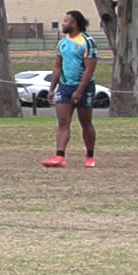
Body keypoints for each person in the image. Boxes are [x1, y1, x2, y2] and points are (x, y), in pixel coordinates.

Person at [43, 9, 99, 168]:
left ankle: (90, 156)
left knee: (85, 122)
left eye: (66, 21)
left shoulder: (87, 41)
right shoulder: (62, 43)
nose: (63, 24)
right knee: (63, 121)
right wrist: (52, 88)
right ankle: (59, 156)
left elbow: (90, 70)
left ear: (74, 23)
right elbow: (57, 67)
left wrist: (79, 91)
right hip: (65, 86)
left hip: (84, 87)